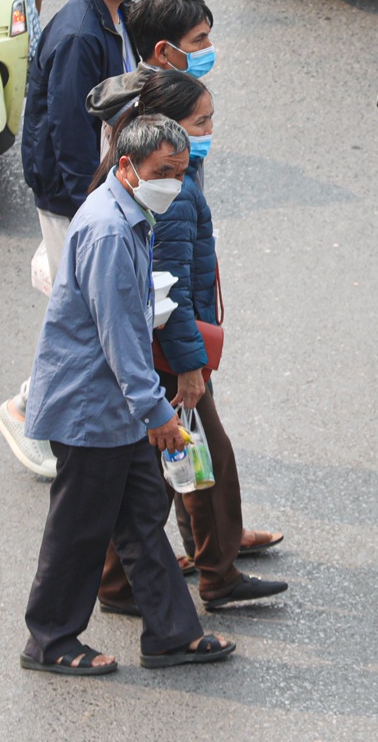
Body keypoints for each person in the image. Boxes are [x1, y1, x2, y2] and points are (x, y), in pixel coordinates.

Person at [21, 114, 235, 675]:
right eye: (164, 172)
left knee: (141, 514)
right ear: (126, 167)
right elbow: (119, 337)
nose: (174, 183)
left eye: (182, 172)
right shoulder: (111, 231)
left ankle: (170, 632)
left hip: (114, 404)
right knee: (79, 529)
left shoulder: (131, 212)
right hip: (93, 407)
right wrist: (156, 413)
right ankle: (50, 640)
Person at [88, 72, 287, 613]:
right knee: (198, 463)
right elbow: (166, 293)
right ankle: (207, 577)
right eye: (201, 121)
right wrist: (191, 367)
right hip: (170, 358)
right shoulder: (173, 195)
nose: (210, 131)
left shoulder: (154, 177)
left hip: (163, 355)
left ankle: (135, 580)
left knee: (165, 470)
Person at [0, 0, 165, 478]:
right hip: (77, 197)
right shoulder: (77, 34)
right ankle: (26, 409)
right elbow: (68, 138)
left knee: (83, 311)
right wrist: (93, 210)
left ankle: (41, 409)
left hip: (99, 191)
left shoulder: (115, 15)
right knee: (84, 314)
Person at [85, 0, 216, 157]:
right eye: (199, 39)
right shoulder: (158, 108)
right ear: (162, 52)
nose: (209, 47)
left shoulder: (162, 91)